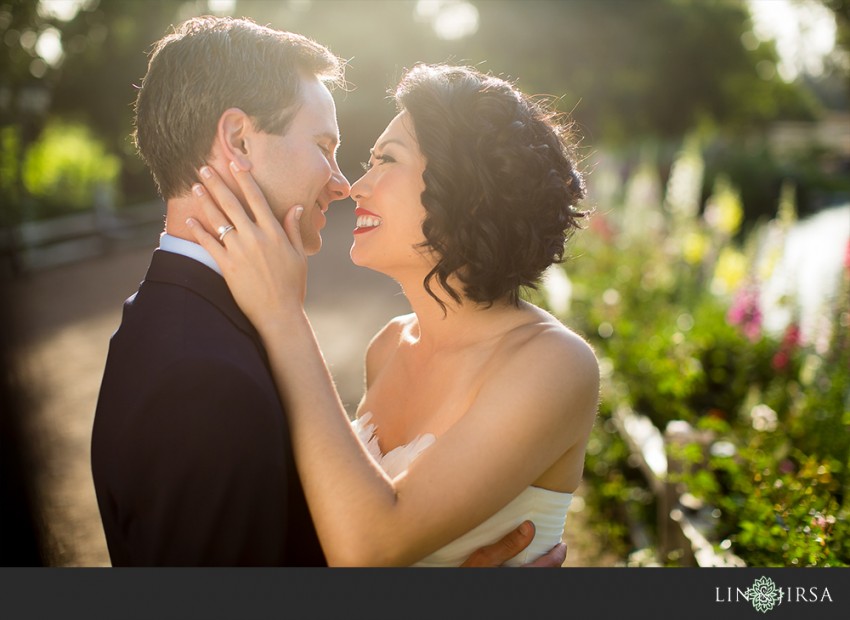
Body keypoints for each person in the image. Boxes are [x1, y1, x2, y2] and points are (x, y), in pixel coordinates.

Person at [91, 16, 561, 567]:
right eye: (324, 145)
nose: (344, 183)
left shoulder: (167, 321)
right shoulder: (202, 378)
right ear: (239, 140)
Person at [186, 63, 599, 566]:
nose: (356, 187)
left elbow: (368, 549)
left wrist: (282, 316)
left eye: (386, 160)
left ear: (467, 191)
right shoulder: (387, 347)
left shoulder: (552, 365)